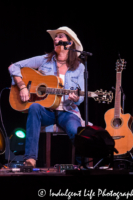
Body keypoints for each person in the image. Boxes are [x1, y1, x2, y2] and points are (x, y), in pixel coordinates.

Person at [8, 26, 86, 167]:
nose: (56, 39)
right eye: (55, 37)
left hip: (67, 112)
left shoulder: (79, 67)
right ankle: (30, 160)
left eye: (60, 36)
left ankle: (84, 167)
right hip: (47, 112)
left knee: (76, 131)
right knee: (34, 107)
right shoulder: (44, 60)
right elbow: (13, 67)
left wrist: (76, 98)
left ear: (69, 43)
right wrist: (22, 87)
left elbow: (81, 96)